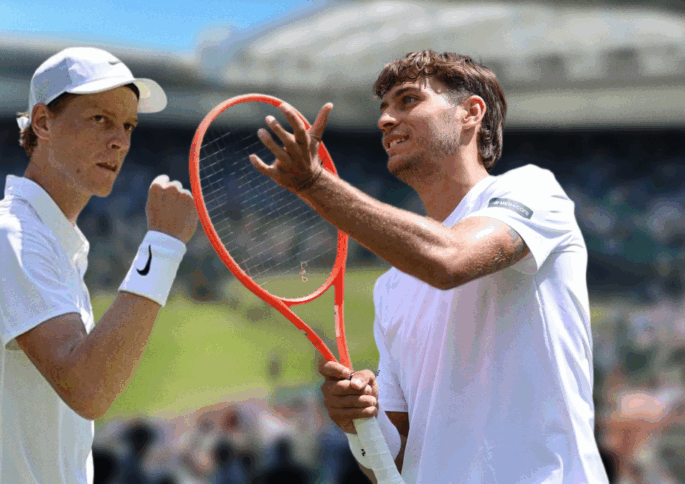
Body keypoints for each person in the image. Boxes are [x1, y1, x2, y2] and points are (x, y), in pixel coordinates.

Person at [249, 50, 608, 483]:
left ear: (470, 113)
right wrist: (359, 422)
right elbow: (392, 460)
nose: (384, 120)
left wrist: (314, 184)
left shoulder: (534, 189)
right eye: (383, 108)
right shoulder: (391, 287)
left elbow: (450, 260)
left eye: (407, 101)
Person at [0, 46, 198, 483]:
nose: (120, 139)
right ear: (43, 122)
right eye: (99, 118)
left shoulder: (35, 239)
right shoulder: (10, 237)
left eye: (128, 125)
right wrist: (162, 246)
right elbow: (88, 388)